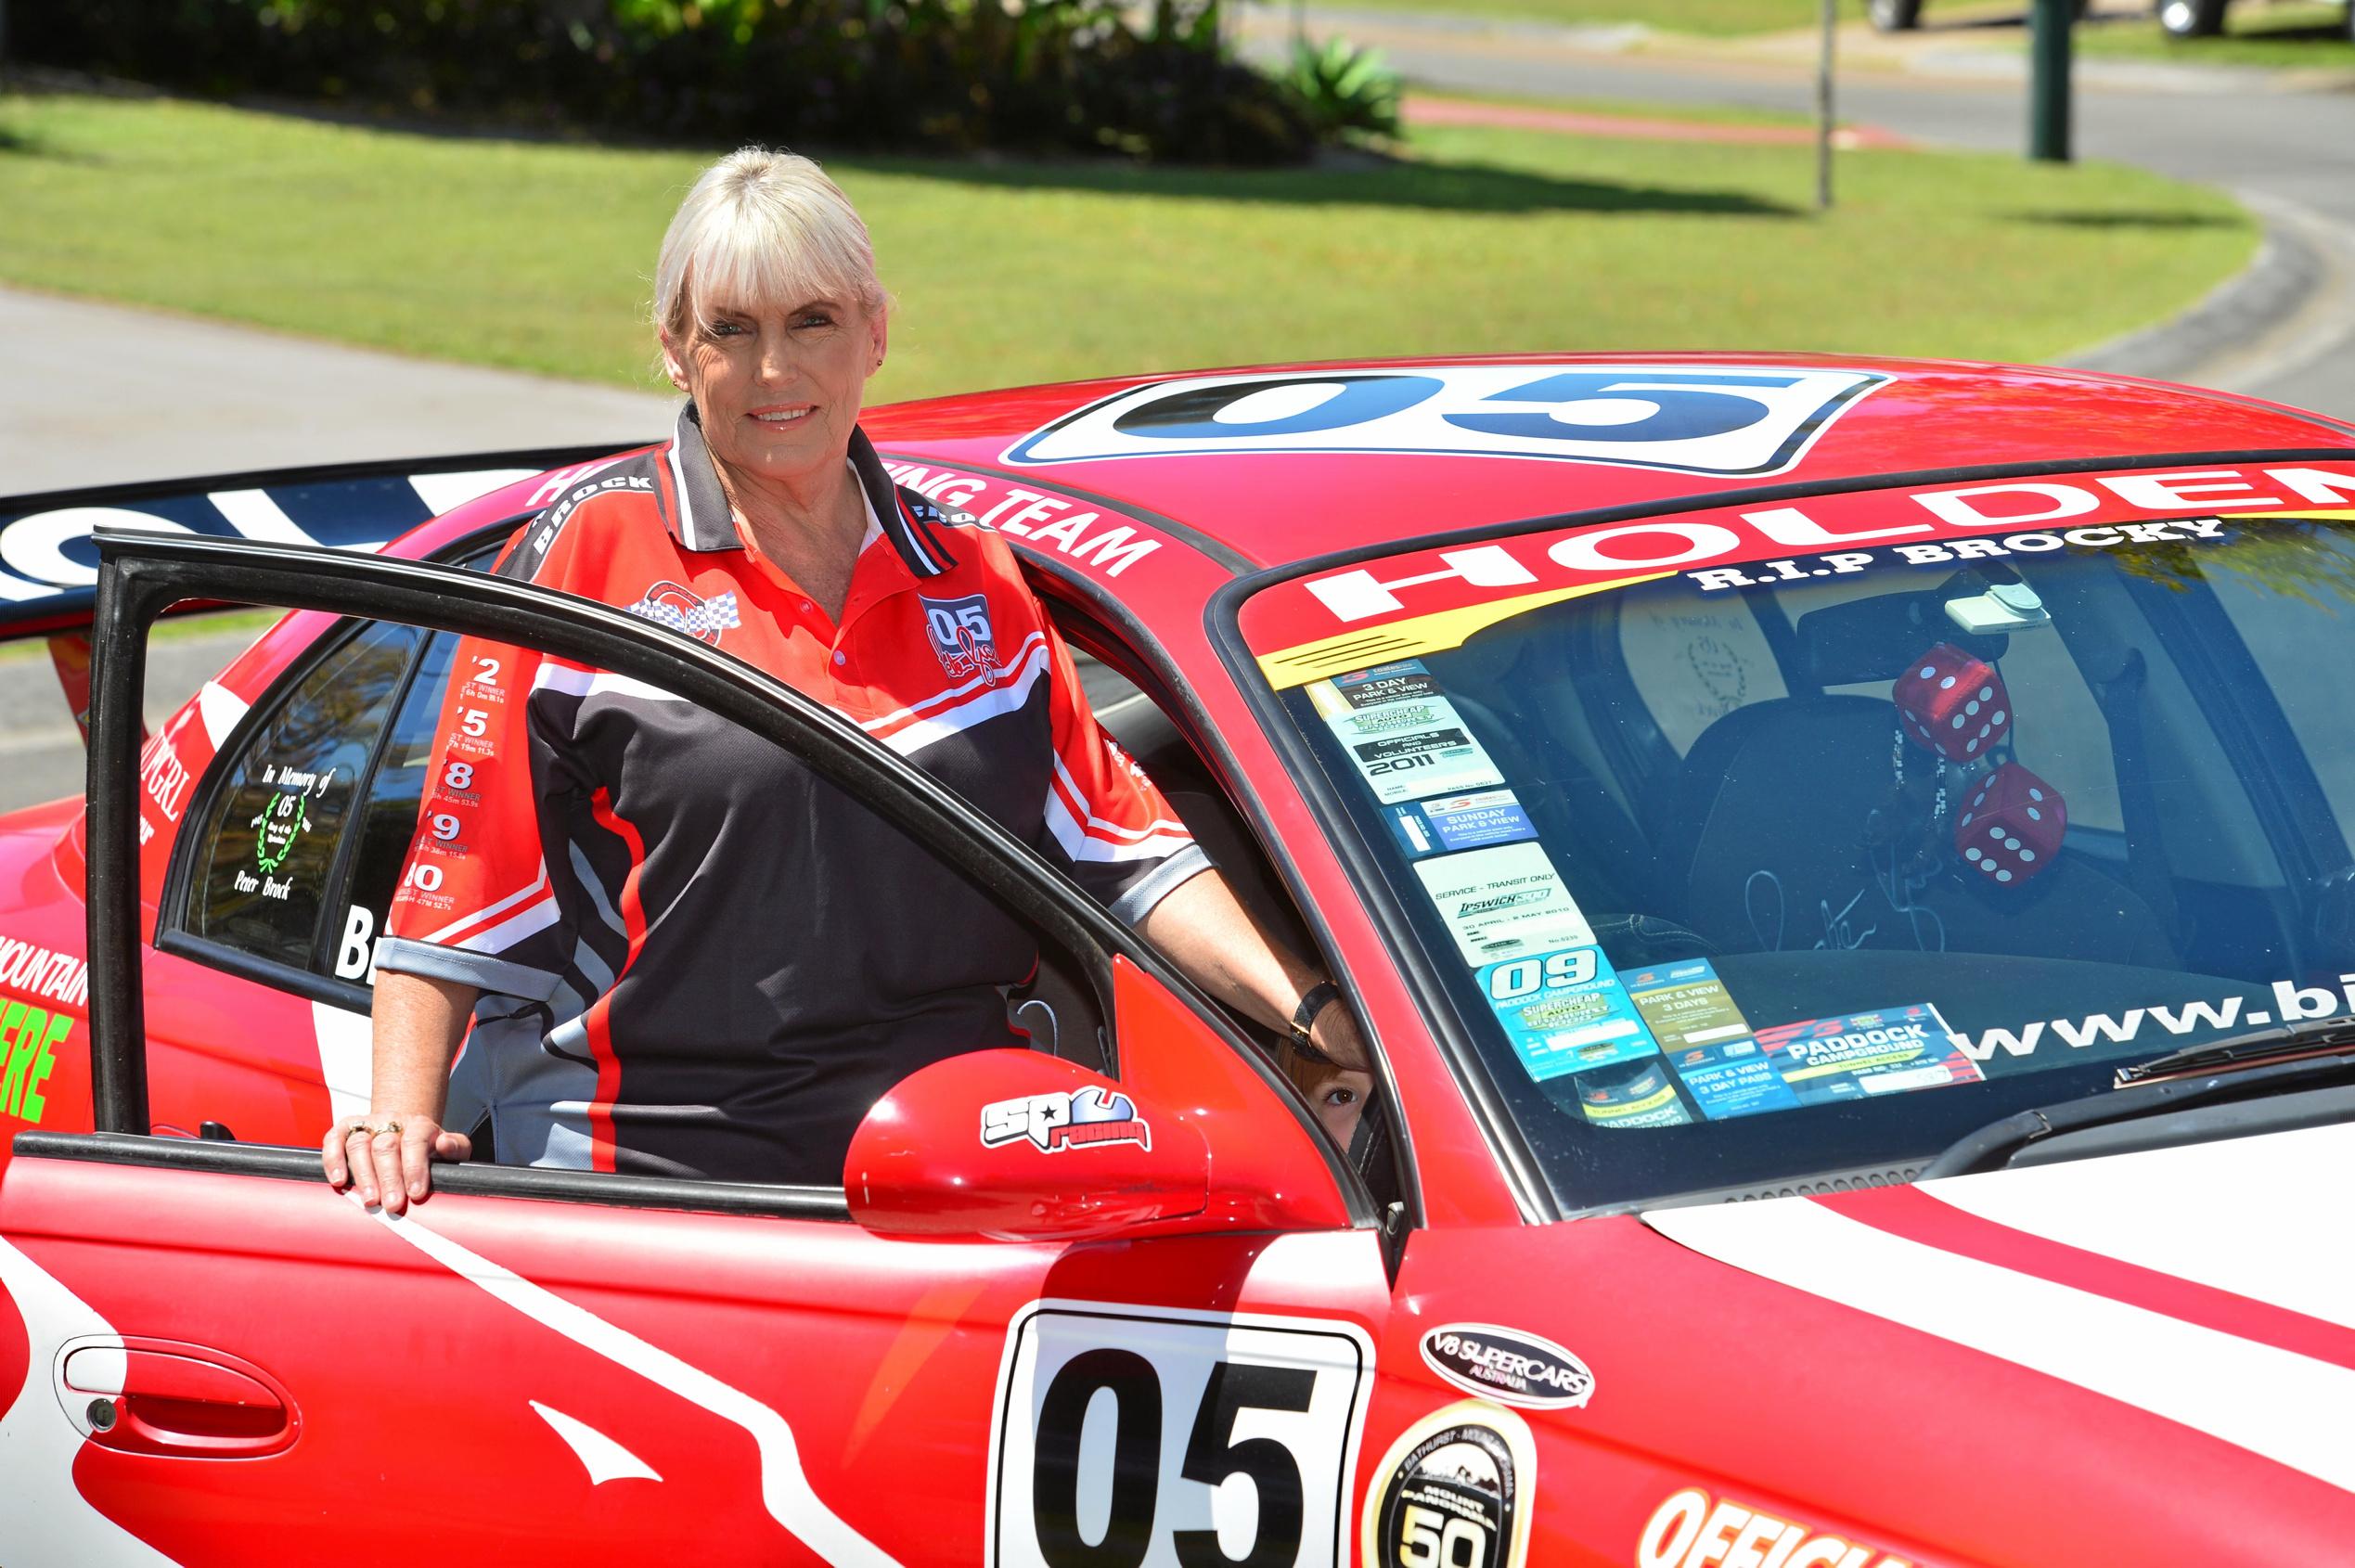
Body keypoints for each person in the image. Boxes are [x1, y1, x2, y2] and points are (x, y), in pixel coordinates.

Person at [323, 148, 1367, 1214]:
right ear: (676, 351)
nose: (774, 369)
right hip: (661, 1196)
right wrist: (398, 1114)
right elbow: (456, 873)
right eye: (731, 330)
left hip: (962, 1184)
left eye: (812, 321)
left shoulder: (971, 570)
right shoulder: (587, 557)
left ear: (875, 332)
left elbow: (1129, 849)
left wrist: (1321, 1013)